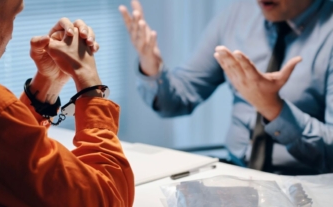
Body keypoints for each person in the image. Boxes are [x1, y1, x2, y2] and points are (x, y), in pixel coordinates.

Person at [119, 0, 333, 174]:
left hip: (308, 183)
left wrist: (273, 108)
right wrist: (152, 68)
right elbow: (175, 102)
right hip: (235, 173)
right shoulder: (237, 15)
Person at [0, 0, 134, 206]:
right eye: (14, 17)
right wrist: (89, 84)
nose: (11, 35)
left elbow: (3, 162)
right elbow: (108, 197)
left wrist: (48, 81)